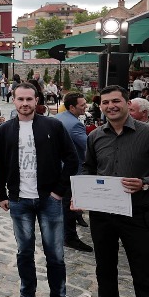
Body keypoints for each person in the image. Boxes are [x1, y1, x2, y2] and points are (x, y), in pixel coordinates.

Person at [80, 86, 149, 297]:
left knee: (144, 275)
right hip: (102, 214)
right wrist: (81, 193)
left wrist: (146, 182)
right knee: (105, 267)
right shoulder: (95, 136)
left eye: (116, 101)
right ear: (100, 106)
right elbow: (88, 168)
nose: (111, 106)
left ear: (127, 103)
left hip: (136, 214)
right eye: (106, 103)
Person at [0, 82, 79, 297]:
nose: (24, 103)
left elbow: (72, 159)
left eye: (29, 99)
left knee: (55, 254)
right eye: (20, 99)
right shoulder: (6, 130)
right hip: (19, 200)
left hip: (48, 200)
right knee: (24, 252)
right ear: (13, 99)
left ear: (37, 99)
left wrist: (58, 191)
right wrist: (2, 194)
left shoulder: (53, 125)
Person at [54, 92, 93, 253]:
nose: (86, 107)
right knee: (69, 204)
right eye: (83, 105)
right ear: (72, 107)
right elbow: (88, 148)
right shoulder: (75, 124)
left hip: (58, 167)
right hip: (72, 170)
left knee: (64, 204)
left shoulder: (58, 117)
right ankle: (69, 237)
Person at [127, 98, 149, 253]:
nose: (128, 113)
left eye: (132, 110)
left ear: (144, 113)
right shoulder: (126, 127)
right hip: (132, 178)